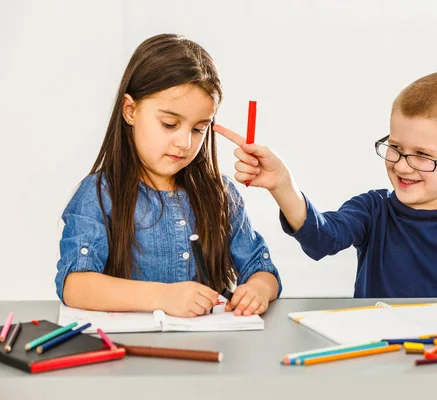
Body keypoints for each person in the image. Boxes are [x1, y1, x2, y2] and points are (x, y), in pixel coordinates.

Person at [215, 71, 437, 316]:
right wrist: (282, 185)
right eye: (395, 147)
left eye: (422, 155)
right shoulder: (374, 208)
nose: (402, 166)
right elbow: (321, 237)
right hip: (373, 356)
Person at [55, 34, 281, 318]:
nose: (185, 143)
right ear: (130, 110)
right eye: (169, 123)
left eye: (199, 129)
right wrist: (163, 296)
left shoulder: (220, 193)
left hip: (208, 353)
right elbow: (74, 285)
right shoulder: (100, 193)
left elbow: (262, 270)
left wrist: (258, 289)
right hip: (131, 354)